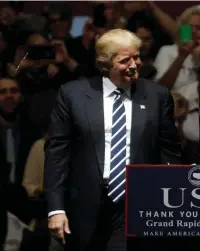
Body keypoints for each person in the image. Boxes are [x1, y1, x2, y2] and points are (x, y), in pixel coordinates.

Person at [44, 28, 181, 251]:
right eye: (125, 60)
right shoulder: (73, 94)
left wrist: (170, 203)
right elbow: (57, 154)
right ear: (104, 63)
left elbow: (169, 153)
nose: (134, 64)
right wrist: (56, 209)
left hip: (136, 205)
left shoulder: (157, 96)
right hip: (84, 205)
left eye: (137, 57)